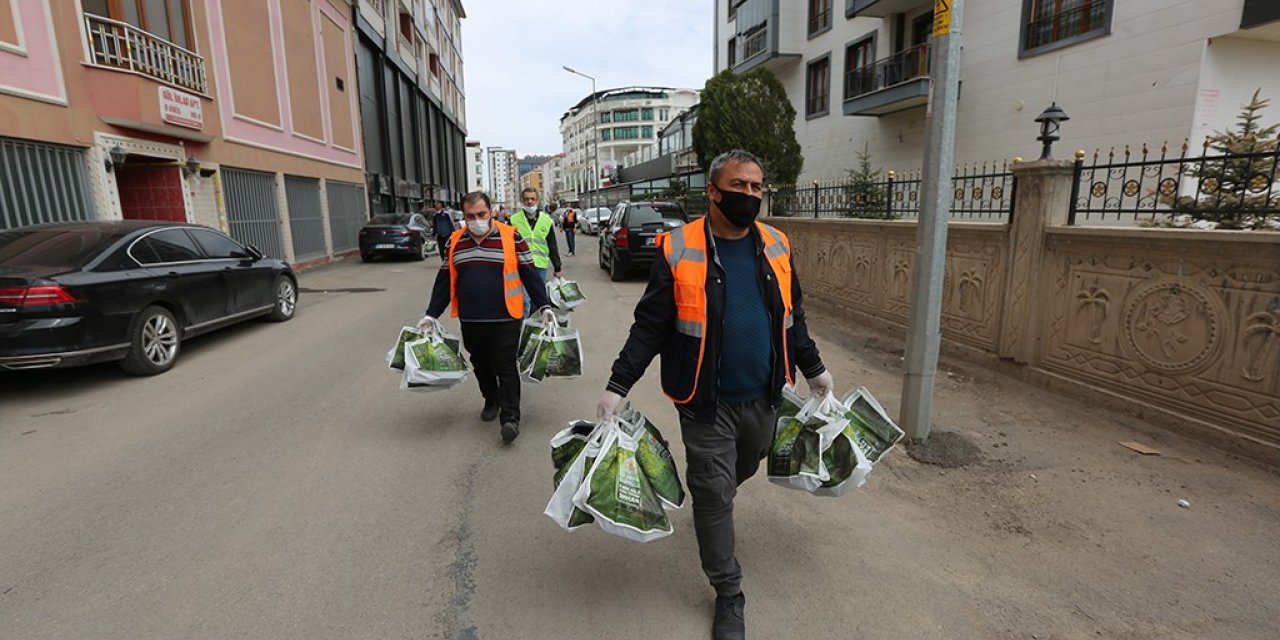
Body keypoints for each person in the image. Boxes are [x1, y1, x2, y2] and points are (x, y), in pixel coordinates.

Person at [595, 150, 834, 640]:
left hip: (765, 395)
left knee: (743, 467)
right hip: (705, 400)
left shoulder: (776, 244)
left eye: (756, 187)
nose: (749, 195)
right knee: (712, 489)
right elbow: (651, 326)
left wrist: (814, 368)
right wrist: (617, 386)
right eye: (739, 186)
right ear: (712, 191)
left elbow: (793, 315)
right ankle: (728, 590)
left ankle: (714, 495)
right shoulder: (677, 246)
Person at [421, 191, 556, 444]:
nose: (476, 220)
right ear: (464, 216)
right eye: (470, 216)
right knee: (481, 364)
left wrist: (544, 306)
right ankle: (491, 399)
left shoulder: (511, 236)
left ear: (491, 211)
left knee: (505, 365)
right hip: (471, 319)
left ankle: (510, 418)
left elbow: (529, 273)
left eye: (481, 214)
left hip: (506, 316)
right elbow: (444, 281)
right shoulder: (454, 241)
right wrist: (431, 313)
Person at [510, 187, 562, 309]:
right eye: (527, 199)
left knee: (538, 298)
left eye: (532, 199)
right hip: (521, 265)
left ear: (537, 200)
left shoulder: (546, 220)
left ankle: (536, 324)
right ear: (522, 201)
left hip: (540, 266)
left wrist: (557, 267)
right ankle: (525, 325)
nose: (529, 201)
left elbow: (552, 245)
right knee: (525, 300)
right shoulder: (513, 220)